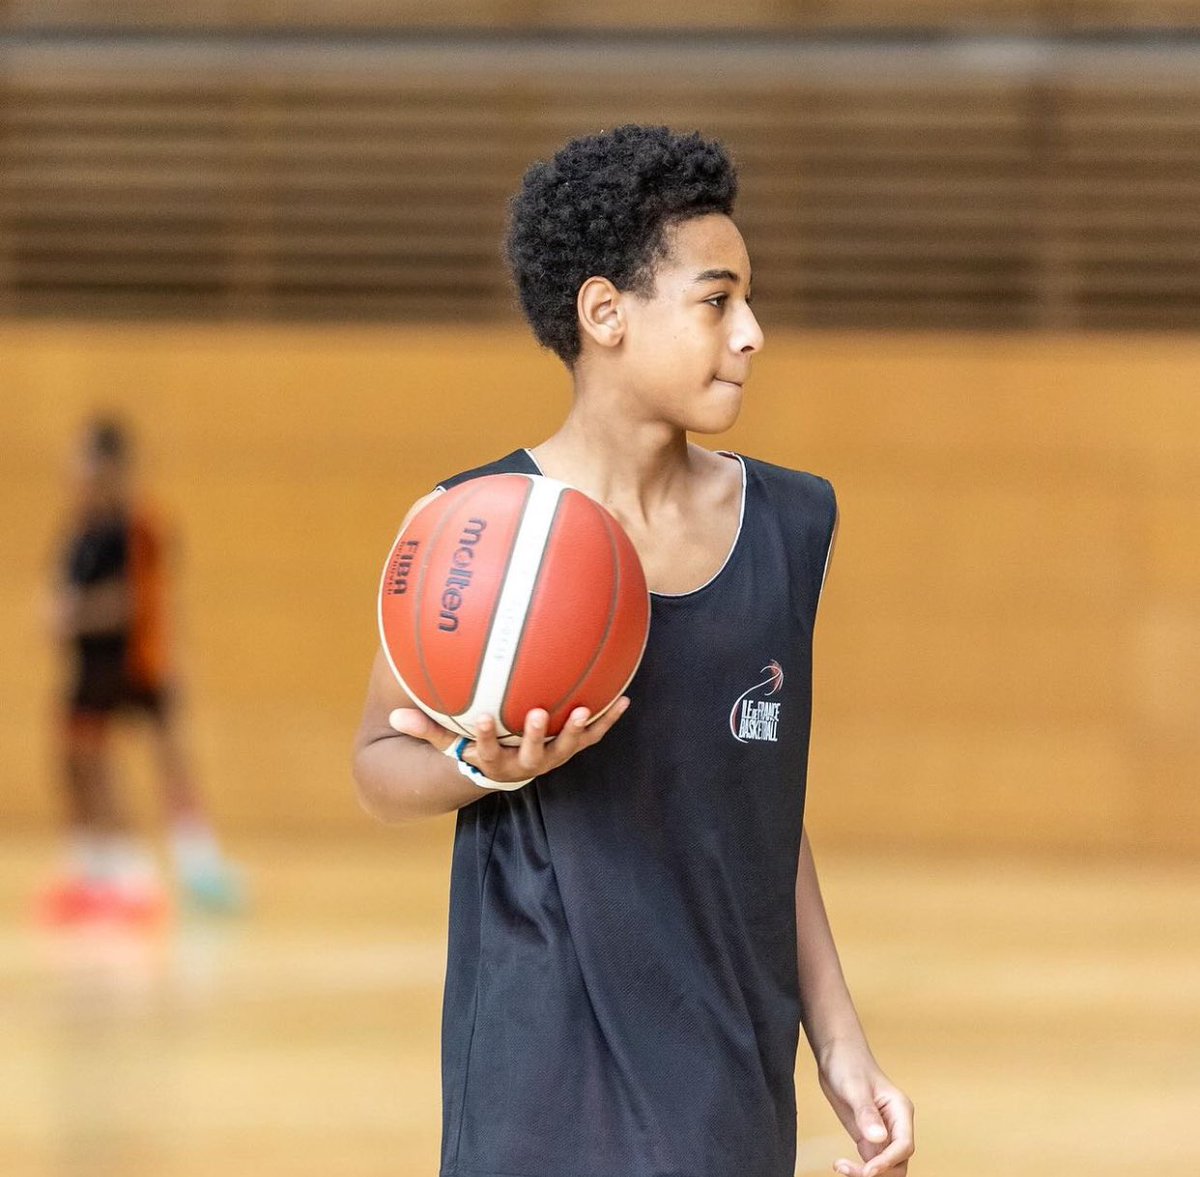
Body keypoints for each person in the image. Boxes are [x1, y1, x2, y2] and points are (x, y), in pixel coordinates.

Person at [353, 126, 914, 1177]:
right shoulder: (473, 530)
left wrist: (840, 1046)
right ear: (605, 313)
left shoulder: (791, 524)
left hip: (723, 1078)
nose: (751, 332)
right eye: (716, 301)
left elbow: (764, 811)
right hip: (532, 1080)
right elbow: (380, 765)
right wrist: (482, 767)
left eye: (749, 300)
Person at [39, 417, 244, 923]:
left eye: (84, 459)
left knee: (169, 762)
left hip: (137, 662)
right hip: (91, 665)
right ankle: (103, 869)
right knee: (81, 763)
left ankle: (196, 870)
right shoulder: (79, 531)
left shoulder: (139, 527)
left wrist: (75, 614)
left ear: (109, 466)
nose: (75, 470)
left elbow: (136, 600)